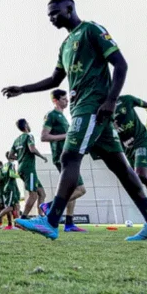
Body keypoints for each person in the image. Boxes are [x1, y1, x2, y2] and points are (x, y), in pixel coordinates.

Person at [2, 0, 147, 241]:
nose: (52, 18)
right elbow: (54, 80)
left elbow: (121, 65)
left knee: (69, 156)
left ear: (70, 8)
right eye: (49, 15)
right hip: (84, 109)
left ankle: (51, 221)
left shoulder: (92, 30)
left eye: (55, 12)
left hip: (93, 106)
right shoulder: (64, 46)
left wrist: (111, 100)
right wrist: (23, 88)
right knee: (121, 168)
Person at [39, 90, 87, 232]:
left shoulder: (64, 117)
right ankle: (50, 206)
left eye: (67, 99)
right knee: (80, 190)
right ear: (55, 100)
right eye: (64, 99)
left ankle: (69, 223)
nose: (67, 101)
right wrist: (67, 135)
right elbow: (44, 137)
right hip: (61, 157)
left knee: (72, 188)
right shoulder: (51, 115)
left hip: (71, 156)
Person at [112, 95, 147, 200]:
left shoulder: (126, 100)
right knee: (143, 179)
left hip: (141, 141)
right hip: (127, 150)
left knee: (141, 174)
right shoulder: (99, 109)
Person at [11, 119, 48, 219]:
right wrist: (42, 156)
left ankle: (41, 217)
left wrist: (20, 157)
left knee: (42, 193)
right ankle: (23, 218)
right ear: (26, 125)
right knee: (34, 195)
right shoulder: (29, 136)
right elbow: (32, 149)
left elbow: (10, 155)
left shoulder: (16, 140)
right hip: (28, 169)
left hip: (22, 168)